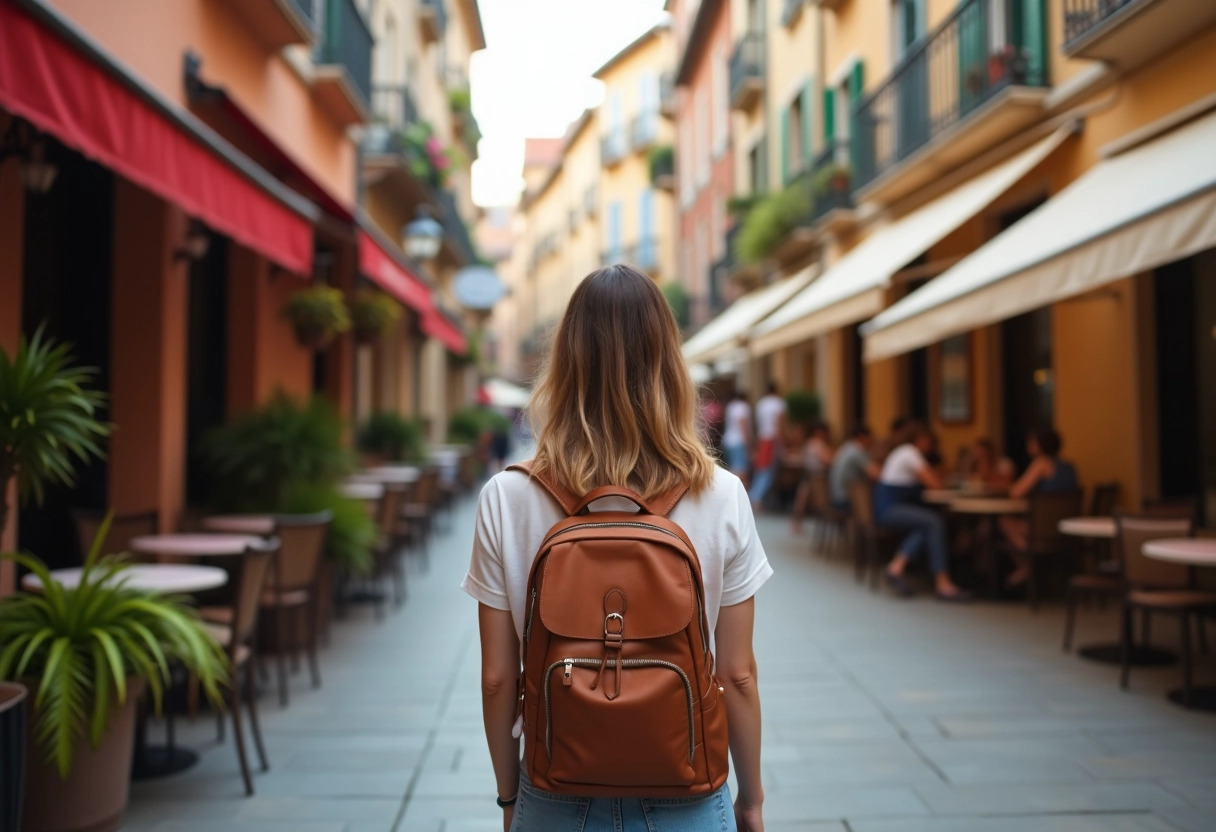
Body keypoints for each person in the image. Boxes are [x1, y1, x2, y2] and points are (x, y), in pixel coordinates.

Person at [462, 265, 771, 832]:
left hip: (555, 791)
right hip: (689, 789)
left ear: (565, 364)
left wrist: (510, 799)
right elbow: (738, 673)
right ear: (669, 366)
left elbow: (496, 679)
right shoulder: (722, 494)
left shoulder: (506, 496)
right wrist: (750, 798)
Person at [875, 423, 970, 601]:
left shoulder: (904, 452)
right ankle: (943, 583)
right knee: (934, 521)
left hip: (893, 508)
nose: (930, 445)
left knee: (926, 525)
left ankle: (896, 567)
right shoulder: (910, 454)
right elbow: (935, 484)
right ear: (919, 439)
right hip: (891, 510)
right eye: (928, 441)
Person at [1000, 427, 1079, 586]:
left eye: (1031, 441)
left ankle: (1027, 565)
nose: (1028, 445)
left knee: (1004, 521)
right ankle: (1034, 569)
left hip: (1043, 529)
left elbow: (1016, 492)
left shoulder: (1041, 463)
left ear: (1040, 444)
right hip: (1067, 529)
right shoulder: (1069, 466)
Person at [791, 422, 835, 533]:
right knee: (803, 500)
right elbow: (826, 460)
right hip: (816, 477)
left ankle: (796, 524)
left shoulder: (809, 443)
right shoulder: (817, 444)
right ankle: (797, 524)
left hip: (809, 475)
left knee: (802, 500)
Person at [749, 382, 787, 511]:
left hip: (762, 438)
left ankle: (756, 496)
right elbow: (779, 423)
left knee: (761, 469)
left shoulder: (761, 403)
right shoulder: (778, 403)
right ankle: (756, 497)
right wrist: (781, 441)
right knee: (767, 471)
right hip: (772, 439)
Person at [829, 425, 876, 512]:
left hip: (835, 495)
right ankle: (868, 524)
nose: (872, 441)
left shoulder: (846, 447)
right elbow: (875, 473)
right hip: (845, 497)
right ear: (862, 437)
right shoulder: (857, 450)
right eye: (870, 438)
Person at [721, 389, 753, 485]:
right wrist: (749, 443)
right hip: (738, 441)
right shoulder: (743, 407)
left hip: (728, 440)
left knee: (733, 468)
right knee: (741, 470)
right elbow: (743, 426)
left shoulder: (731, 406)